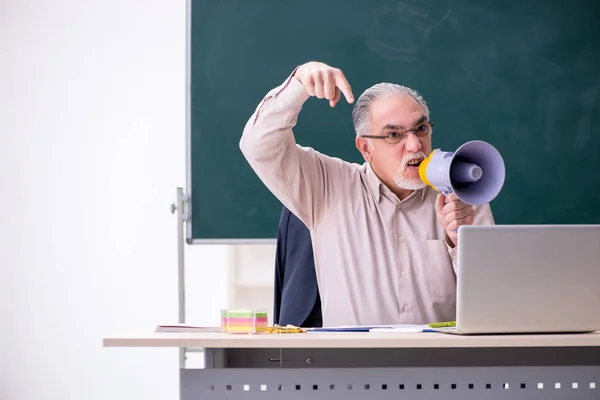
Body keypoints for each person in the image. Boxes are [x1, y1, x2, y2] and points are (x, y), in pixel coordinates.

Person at [240, 61, 495, 326]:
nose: (415, 144)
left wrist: (460, 242)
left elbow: (495, 301)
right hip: (351, 363)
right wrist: (299, 84)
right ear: (365, 149)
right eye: (394, 134)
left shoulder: (463, 197)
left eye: (421, 129)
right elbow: (258, 146)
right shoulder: (327, 187)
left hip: (442, 362)